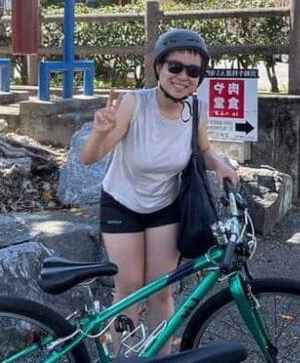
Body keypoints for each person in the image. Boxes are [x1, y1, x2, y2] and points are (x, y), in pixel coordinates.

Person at [80, 28, 238, 355]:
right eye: (175, 67)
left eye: (193, 72)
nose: (183, 76)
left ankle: (160, 357)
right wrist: (99, 133)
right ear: (159, 68)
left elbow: (204, 150)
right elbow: (89, 158)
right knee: (129, 286)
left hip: (165, 205)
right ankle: (121, 355)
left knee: (162, 290)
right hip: (121, 203)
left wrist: (220, 163)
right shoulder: (133, 104)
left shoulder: (196, 109)